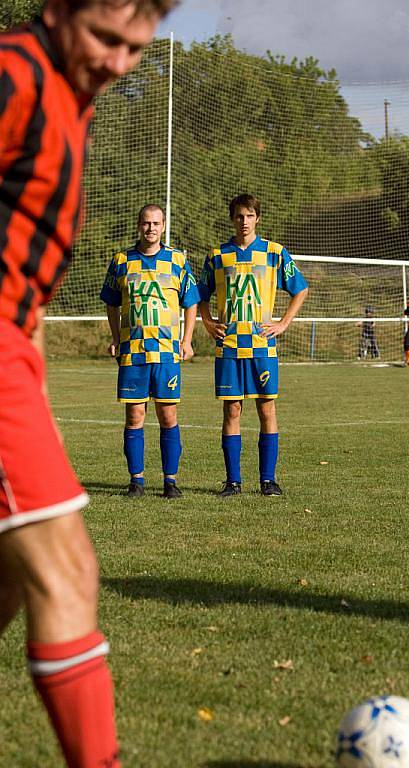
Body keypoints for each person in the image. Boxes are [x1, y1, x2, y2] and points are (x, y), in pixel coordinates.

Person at [0, 2, 177, 766]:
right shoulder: (12, 75)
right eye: (106, 38)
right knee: (67, 567)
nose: (117, 61)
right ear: (57, 9)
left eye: (135, 49)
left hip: (15, 353)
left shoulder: (75, 103)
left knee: (10, 578)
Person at [198, 193, 309, 497]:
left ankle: (268, 480)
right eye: (238, 216)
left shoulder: (275, 252)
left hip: (262, 345)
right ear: (232, 218)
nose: (244, 221)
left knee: (266, 408)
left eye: (249, 216)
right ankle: (232, 482)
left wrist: (283, 323)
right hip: (229, 345)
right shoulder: (218, 256)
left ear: (257, 218)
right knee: (232, 410)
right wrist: (207, 323)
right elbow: (199, 295)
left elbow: (300, 288)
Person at [100, 203, 199, 499]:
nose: (151, 228)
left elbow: (191, 301)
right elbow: (111, 302)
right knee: (134, 416)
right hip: (133, 353)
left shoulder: (177, 261)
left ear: (164, 226)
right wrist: (116, 338)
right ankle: (136, 481)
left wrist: (187, 339)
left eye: (156, 223)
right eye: (146, 223)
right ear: (138, 225)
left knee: (168, 415)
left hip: (167, 353)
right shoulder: (122, 261)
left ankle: (170, 481)